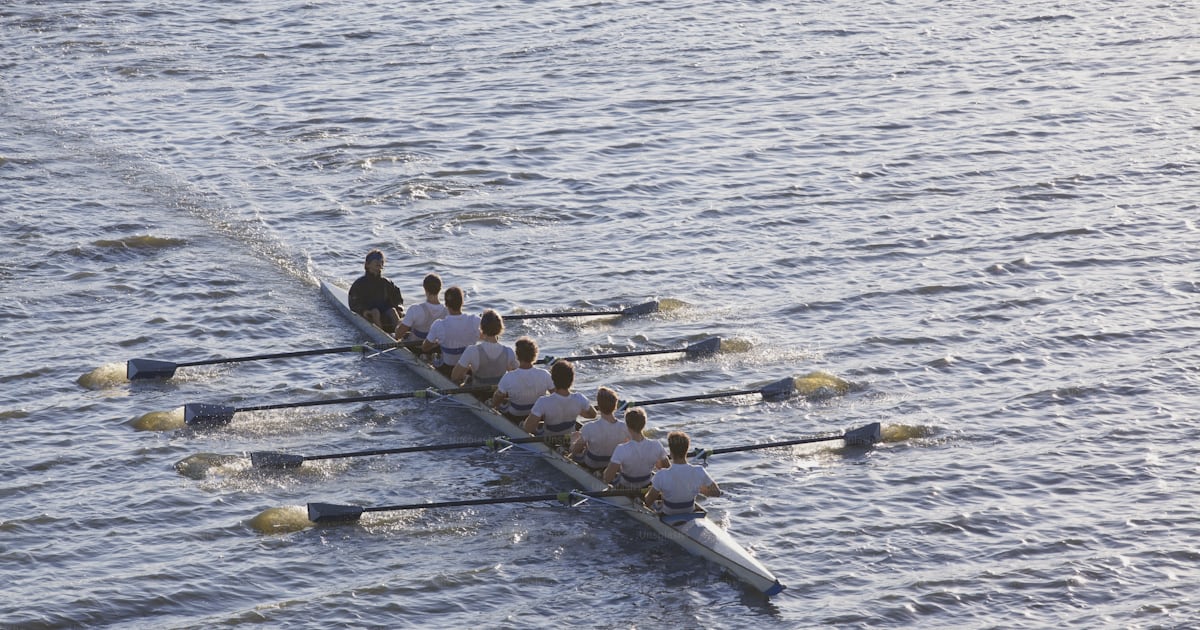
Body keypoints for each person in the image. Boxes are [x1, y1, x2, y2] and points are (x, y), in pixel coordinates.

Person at [644, 430, 721, 515]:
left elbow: (648, 501)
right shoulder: (699, 471)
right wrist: (699, 489)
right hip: (689, 513)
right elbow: (717, 492)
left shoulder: (661, 475)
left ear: (671, 452)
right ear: (686, 451)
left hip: (668, 515)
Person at [521, 360, 596, 444]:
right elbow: (593, 415)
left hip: (549, 439)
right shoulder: (580, 398)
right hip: (569, 437)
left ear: (552, 379)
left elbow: (528, 429)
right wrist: (578, 411)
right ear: (572, 379)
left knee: (522, 425)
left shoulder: (543, 401)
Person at [422, 286, 481, 378]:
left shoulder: (439, 325)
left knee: (426, 355)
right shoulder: (475, 320)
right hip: (468, 369)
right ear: (462, 302)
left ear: (446, 304)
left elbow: (425, 348)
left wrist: (437, 344)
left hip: (448, 369)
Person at [491, 336, 554, 422]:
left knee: (497, 399)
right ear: (535, 355)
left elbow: (498, 397)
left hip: (516, 414)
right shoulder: (545, 374)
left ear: (517, 356)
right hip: (537, 414)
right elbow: (555, 395)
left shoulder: (508, 377)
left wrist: (492, 405)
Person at [603, 407, 668, 489]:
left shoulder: (621, 449)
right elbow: (667, 470)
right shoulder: (656, 445)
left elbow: (607, 478)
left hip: (625, 487)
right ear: (644, 424)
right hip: (646, 485)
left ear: (627, 426)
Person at [452, 309, 518, 389]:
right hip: (498, 393)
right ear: (500, 328)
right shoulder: (509, 352)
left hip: (477, 393)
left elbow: (454, 376)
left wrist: (468, 368)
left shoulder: (472, 350)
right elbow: (518, 377)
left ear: (481, 328)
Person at [570, 387, 628, 471]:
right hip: (611, 464)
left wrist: (571, 456)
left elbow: (578, 447)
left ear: (599, 407)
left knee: (575, 435)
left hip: (591, 463)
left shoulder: (589, 427)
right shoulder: (625, 427)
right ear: (615, 406)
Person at [348, 249, 404, 334]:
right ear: (367, 264)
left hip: (384, 309)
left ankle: (400, 334)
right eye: (376, 260)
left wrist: (399, 307)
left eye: (381, 260)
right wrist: (363, 311)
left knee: (392, 311)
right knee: (375, 312)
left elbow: (397, 297)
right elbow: (354, 302)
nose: (379, 262)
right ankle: (380, 334)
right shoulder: (359, 283)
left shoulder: (386, 282)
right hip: (369, 311)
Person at [395, 273, 448, 341]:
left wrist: (400, 323)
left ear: (424, 288)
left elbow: (398, 335)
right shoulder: (447, 311)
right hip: (435, 348)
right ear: (440, 288)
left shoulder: (415, 309)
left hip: (415, 348)